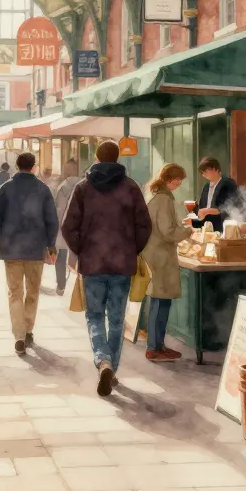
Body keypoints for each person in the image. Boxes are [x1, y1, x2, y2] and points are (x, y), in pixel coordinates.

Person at [61, 141, 151, 396]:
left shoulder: (83, 187)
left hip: (93, 263)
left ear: (97, 158)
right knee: (117, 319)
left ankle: (103, 361)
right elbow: (145, 225)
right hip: (122, 263)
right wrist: (132, 249)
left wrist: (83, 249)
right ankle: (112, 369)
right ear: (118, 157)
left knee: (94, 317)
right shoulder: (131, 187)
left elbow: (68, 227)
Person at [0, 152, 57, 356]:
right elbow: (51, 219)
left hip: (11, 249)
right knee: (33, 292)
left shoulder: (6, 188)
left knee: (15, 293)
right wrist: (51, 245)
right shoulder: (42, 189)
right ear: (34, 166)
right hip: (36, 249)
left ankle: (19, 336)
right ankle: (28, 330)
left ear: (16, 166)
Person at [141, 164, 192, 362]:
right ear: (168, 178)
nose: (179, 183)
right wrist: (188, 231)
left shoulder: (156, 195)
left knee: (160, 300)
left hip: (156, 253)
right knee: (160, 302)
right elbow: (168, 231)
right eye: (177, 179)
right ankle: (154, 348)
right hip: (160, 256)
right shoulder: (163, 199)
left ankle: (158, 345)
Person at [53, 159, 80, 296]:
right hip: (79, 228)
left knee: (61, 257)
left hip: (63, 227)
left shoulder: (61, 187)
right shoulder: (83, 184)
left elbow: (57, 208)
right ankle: (81, 288)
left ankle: (61, 285)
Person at [193, 156, 241, 229]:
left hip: (224, 224)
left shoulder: (228, 183)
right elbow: (202, 207)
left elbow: (230, 206)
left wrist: (209, 211)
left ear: (215, 169)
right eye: (202, 172)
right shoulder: (206, 186)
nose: (204, 174)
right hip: (207, 225)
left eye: (205, 171)